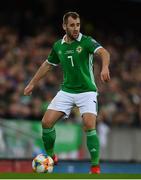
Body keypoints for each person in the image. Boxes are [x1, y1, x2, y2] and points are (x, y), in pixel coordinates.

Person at [24, 11, 110, 174]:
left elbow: (104, 52)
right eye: (72, 25)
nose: (76, 28)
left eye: (78, 25)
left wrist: (105, 67)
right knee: (46, 123)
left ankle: (95, 167)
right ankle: (51, 158)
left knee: (89, 126)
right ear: (64, 26)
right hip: (67, 91)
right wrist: (32, 83)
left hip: (87, 92)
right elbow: (47, 65)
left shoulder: (86, 42)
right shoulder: (58, 46)